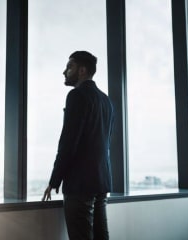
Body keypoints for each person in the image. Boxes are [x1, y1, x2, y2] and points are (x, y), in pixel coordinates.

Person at [42, 51, 114, 240]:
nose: (64, 71)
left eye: (69, 67)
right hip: (101, 181)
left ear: (82, 71)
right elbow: (104, 141)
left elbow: (68, 142)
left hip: (80, 184)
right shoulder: (106, 100)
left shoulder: (76, 96)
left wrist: (54, 180)